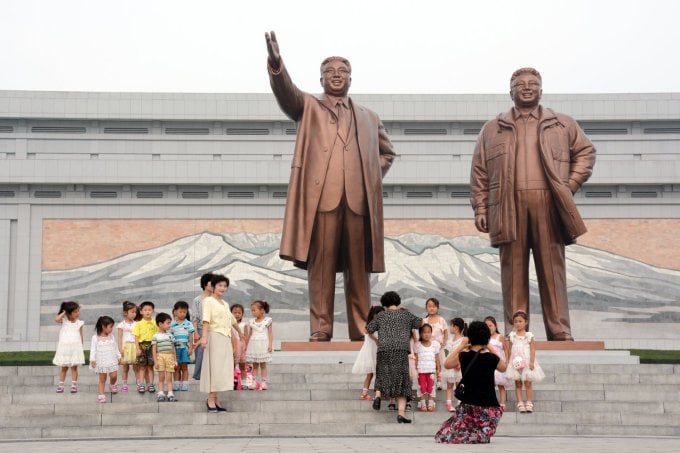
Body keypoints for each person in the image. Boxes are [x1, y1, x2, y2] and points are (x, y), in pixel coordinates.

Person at [265, 31, 396, 342]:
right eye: (330, 72)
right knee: (320, 268)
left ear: (351, 78)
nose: (336, 77)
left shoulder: (368, 116)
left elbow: (387, 152)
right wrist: (276, 64)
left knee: (358, 271)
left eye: (342, 72)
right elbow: (287, 94)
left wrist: (369, 175)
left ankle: (362, 327)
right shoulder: (309, 106)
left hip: (358, 202)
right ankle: (321, 328)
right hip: (322, 200)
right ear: (321, 79)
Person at [470, 67, 596, 340]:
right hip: (507, 205)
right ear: (510, 91)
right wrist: (481, 207)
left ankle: (559, 329)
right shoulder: (493, 128)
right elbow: (479, 170)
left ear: (541, 89)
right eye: (520, 84)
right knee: (512, 271)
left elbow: (585, 153)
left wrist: (569, 185)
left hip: (549, 204)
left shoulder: (562, 123)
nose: (526, 87)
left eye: (533, 83)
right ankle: (517, 333)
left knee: (552, 268)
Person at [434, 321, 507, 444]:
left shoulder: (463, 356)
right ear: (486, 337)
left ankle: (473, 434)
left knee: (443, 434)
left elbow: (446, 364)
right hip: (490, 410)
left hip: (469, 407)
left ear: (470, 337)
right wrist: (490, 347)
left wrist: (461, 346)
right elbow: (503, 368)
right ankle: (480, 433)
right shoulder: (491, 358)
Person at [367, 291, 422, 424]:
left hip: (384, 349)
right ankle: (401, 414)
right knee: (402, 381)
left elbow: (369, 328)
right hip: (401, 350)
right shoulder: (405, 314)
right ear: (398, 301)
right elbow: (419, 323)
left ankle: (378, 396)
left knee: (382, 374)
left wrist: (378, 338)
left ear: (384, 303)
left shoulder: (381, 316)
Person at [200, 274, 243, 412]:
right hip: (214, 336)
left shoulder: (225, 304)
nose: (222, 288)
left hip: (225, 338)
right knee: (215, 368)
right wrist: (204, 337)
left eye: (225, 286)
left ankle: (216, 398)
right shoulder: (208, 301)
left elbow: (231, 320)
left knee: (222, 369)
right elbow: (206, 320)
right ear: (213, 287)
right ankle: (211, 399)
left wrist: (240, 332)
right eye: (220, 285)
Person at [506, 310, 545, 413]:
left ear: (525, 322)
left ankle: (529, 402)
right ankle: (519, 402)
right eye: (515, 322)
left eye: (520, 321)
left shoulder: (529, 335)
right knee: (518, 382)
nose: (518, 324)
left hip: (527, 361)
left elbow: (532, 349)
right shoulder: (512, 336)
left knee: (528, 382)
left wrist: (531, 362)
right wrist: (509, 363)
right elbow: (509, 350)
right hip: (516, 362)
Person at [351, 305, 384, 400]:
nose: (380, 316)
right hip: (371, 352)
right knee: (371, 374)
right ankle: (365, 393)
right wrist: (376, 339)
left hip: (377, 352)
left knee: (376, 374)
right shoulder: (371, 324)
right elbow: (367, 331)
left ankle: (372, 393)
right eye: (378, 314)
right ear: (373, 314)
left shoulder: (380, 325)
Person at [52, 301, 85, 394]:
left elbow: (81, 336)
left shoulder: (80, 323)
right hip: (65, 350)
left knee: (74, 368)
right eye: (75, 312)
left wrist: (81, 348)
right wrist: (64, 312)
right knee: (64, 368)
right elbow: (56, 319)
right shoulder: (64, 321)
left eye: (78, 311)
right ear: (69, 313)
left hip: (75, 349)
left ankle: (74, 385)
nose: (77, 313)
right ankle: (61, 385)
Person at [90, 316, 121, 403]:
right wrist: (92, 359)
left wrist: (119, 356)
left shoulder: (112, 337)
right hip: (101, 361)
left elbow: (115, 347)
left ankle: (112, 385)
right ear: (103, 326)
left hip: (112, 359)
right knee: (102, 379)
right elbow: (93, 349)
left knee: (114, 375)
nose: (112, 329)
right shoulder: (95, 338)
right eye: (110, 327)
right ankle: (101, 395)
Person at [441, 318, 468, 412]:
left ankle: (460, 402)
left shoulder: (464, 339)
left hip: (459, 366)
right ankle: (449, 403)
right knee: (449, 385)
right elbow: (446, 353)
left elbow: (464, 352)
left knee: (459, 385)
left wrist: (460, 363)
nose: (450, 328)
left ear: (455, 327)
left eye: (451, 326)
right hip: (450, 365)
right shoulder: (449, 341)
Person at [484, 316, 512, 409]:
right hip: (487, 364)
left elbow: (507, 350)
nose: (489, 328)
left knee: (501, 384)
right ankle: (489, 402)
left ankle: (502, 403)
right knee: (488, 384)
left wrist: (507, 362)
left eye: (490, 325)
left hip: (498, 363)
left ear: (495, 326)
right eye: (486, 326)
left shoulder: (500, 337)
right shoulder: (485, 338)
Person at [245, 300, 273, 390]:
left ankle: (264, 382)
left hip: (263, 344)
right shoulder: (251, 321)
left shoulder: (268, 320)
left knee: (263, 364)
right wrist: (246, 345)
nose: (253, 312)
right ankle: (253, 382)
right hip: (254, 344)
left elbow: (270, 334)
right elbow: (249, 334)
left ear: (262, 310)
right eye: (252, 310)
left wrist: (270, 345)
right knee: (255, 364)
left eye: (254, 310)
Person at [132, 301, 158, 394]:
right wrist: (137, 348)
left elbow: (157, 336)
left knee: (151, 367)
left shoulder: (155, 323)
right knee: (142, 367)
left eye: (150, 310)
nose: (148, 312)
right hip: (142, 346)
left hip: (152, 346)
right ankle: (141, 384)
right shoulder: (138, 324)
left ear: (153, 311)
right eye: (145, 310)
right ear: (141, 312)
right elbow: (136, 337)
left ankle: (151, 384)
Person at [415, 323, 441, 412]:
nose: (426, 334)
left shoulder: (435, 344)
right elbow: (416, 358)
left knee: (431, 387)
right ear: (421, 334)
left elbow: (437, 358)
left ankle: (430, 402)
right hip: (421, 370)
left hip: (431, 371)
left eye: (428, 332)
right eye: (424, 332)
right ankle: (422, 403)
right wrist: (415, 369)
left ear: (431, 333)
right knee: (422, 387)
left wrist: (438, 369)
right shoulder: (418, 345)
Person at [192, 272, 214, 380]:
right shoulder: (197, 300)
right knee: (201, 353)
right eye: (211, 283)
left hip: (214, 330)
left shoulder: (216, 299)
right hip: (201, 329)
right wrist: (195, 332)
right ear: (205, 284)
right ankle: (199, 375)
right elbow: (195, 317)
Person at [152, 312, 177, 402]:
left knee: (169, 377)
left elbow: (173, 348)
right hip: (160, 356)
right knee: (161, 377)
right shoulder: (155, 336)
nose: (169, 325)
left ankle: (170, 393)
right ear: (160, 324)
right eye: (168, 323)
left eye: (170, 323)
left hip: (169, 356)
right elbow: (154, 350)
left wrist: (175, 360)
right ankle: (161, 392)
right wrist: (155, 361)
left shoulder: (170, 335)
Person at [423, 297, 448, 390]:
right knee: (429, 363)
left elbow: (445, 332)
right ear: (426, 308)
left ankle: (439, 380)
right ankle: (429, 380)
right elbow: (422, 334)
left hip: (439, 347)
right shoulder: (424, 321)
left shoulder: (441, 320)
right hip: (428, 347)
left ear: (437, 308)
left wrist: (444, 342)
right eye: (429, 306)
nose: (431, 308)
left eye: (434, 306)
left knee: (439, 363)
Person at [170, 301, 195, 392]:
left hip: (184, 348)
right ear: (175, 311)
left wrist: (191, 348)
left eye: (184, 312)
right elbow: (170, 338)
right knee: (176, 367)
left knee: (184, 367)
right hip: (175, 349)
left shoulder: (188, 324)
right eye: (180, 311)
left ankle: (185, 384)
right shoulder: (171, 324)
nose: (182, 314)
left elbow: (191, 337)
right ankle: (176, 384)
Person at [116, 301, 139, 393]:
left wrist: (138, 348)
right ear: (126, 313)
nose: (134, 314)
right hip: (125, 346)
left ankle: (139, 384)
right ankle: (124, 384)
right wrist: (120, 349)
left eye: (135, 312)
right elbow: (120, 337)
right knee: (125, 367)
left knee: (136, 366)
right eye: (132, 312)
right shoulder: (121, 325)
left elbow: (138, 337)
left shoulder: (137, 324)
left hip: (134, 345)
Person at [230, 304, 248, 388]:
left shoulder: (244, 325)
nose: (237, 314)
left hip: (241, 347)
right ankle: (231, 381)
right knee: (231, 365)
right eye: (235, 312)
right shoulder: (229, 325)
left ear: (242, 314)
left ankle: (244, 383)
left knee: (242, 365)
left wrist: (246, 347)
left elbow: (246, 337)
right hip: (232, 346)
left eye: (239, 313)